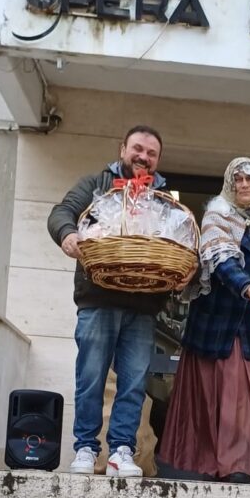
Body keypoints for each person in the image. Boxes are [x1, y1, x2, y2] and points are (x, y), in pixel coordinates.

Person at [159, 157, 250, 482]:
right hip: (211, 326)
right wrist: (247, 287)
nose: (244, 184)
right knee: (208, 399)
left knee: (238, 400)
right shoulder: (216, 214)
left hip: (247, 330)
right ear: (230, 184)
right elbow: (221, 263)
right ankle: (212, 465)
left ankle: (237, 467)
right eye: (238, 179)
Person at [48, 126, 167, 478]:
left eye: (152, 153)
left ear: (158, 160)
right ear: (122, 149)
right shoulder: (95, 185)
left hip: (143, 306)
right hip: (98, 300)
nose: (143, 157)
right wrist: (68, 234)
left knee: (133, 383)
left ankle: (121, 451)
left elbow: (177, 241)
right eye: (138, 149)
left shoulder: (164, 199)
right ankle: (86, 448)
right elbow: (61, 212)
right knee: (91, 377)